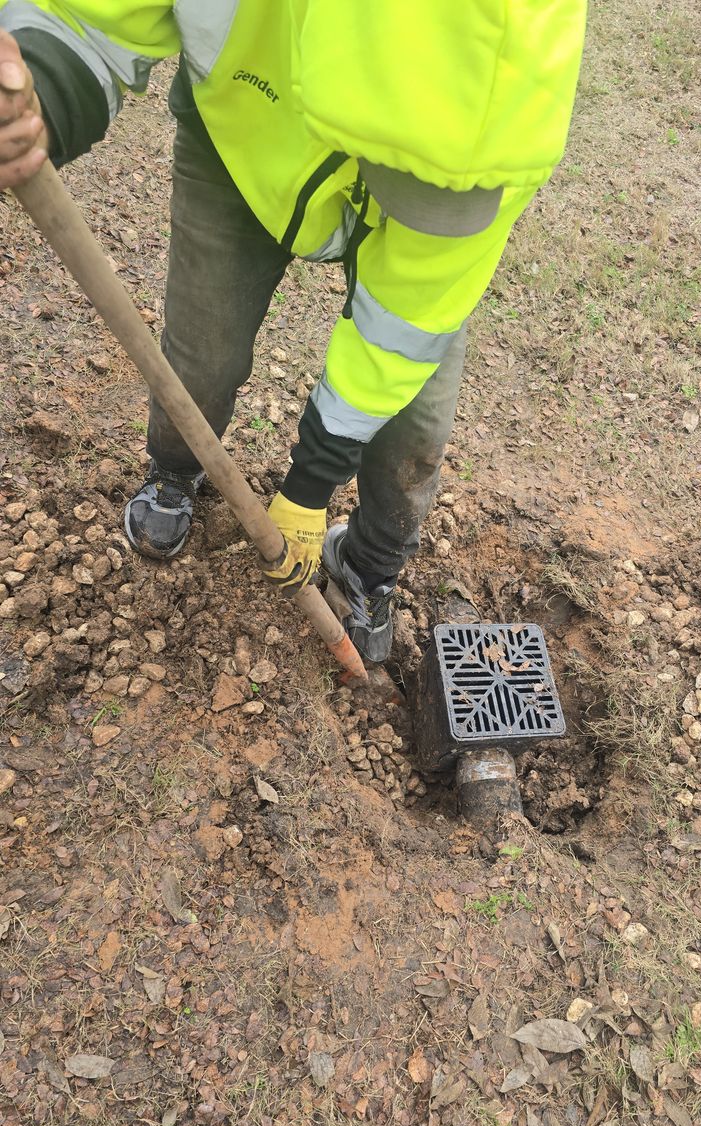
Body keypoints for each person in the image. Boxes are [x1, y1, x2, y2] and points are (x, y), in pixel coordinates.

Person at [0, 1, 586, 662]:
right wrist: (40, 85)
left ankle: (370, 564)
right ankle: (174, 470)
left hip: (436, 195)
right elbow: (86, 16)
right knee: (202, 355)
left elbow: (402, 330)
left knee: (416, 421)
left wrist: (308, 487)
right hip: (244, 132)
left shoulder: (500, 138)